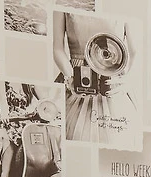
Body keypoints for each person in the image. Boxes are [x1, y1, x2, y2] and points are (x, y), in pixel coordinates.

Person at [53, 13, 136, 144]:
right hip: (75, 78)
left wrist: (129, 79)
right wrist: (70, 77)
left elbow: (135, 51)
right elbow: (57, 48)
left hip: (112, 84)